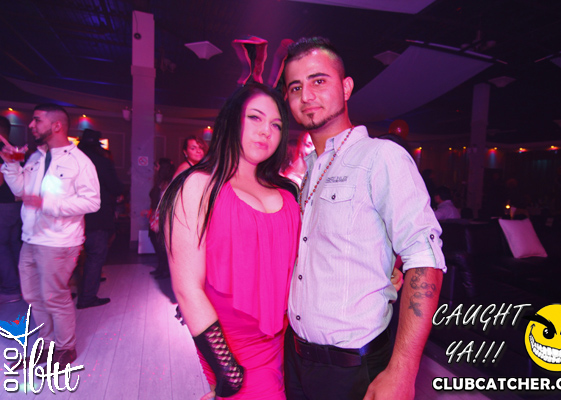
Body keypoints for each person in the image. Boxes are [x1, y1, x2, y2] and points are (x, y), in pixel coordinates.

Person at [282, 37, 445, 400]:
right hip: (297, 359)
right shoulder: (310, 171)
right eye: (296, 87)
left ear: (346, 87)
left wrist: (403, 371)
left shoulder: (380, 157)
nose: (307, 95)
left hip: (353, 368)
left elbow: (426, 258)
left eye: (318, 80)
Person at [159, 83, 300, 399]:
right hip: (233, 347)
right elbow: (187, 288)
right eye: (255, 118)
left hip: (285, 341)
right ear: (232, 119)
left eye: (276, 125)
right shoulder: (199, 186)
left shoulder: (287, 191)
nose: (266, 131)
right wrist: (228, 373)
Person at [0, 104, 100, 369]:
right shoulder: (36, 158)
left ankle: (66, 348)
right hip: (31, 238)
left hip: (59, 241)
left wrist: (48, 204)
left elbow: (92, 202)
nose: (31, 125)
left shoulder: (79, 162)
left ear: (56, 126)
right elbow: (20, 191)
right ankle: (46, 345)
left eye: (37, 120)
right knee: (33, 296)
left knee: (54, 296)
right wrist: (11, 164)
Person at [76, 129, 123, 309]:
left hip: (71, 216)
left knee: (69, 257)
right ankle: (87, 297)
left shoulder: (71, 161)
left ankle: (62, 293)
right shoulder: (101, 162)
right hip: (95, 216)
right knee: (95, 256)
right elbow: (115, 186)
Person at [0, 116, 23, 304]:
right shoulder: (16, 149)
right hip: (17, 205)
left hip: (3, 204)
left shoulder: (3, 150)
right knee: (14, 245)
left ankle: (10, 289)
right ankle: (22, 286)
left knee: (2, 246)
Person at [149, 157, 175, 279]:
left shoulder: (169, 183)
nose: (155, 168)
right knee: (156, 241)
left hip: (164, 216)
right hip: (158, 215)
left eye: (157, 166)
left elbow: (168, 203)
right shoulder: (161, 182)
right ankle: (162, 267)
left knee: (162, 244)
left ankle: (165, 269)